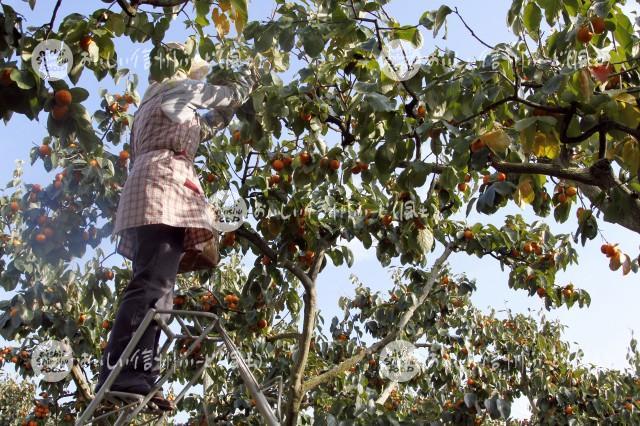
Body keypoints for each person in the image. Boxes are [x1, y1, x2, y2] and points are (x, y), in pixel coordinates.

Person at [93, 43, 260, 411]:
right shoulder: (178, 91)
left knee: (158, 288)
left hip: (155, 188)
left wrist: (229, 110)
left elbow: (209, 124)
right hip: (161, 188)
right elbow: (224, 95)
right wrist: (247, 81)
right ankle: (123, 375)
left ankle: (137, 377)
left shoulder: (157, 106)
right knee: (153, 286)